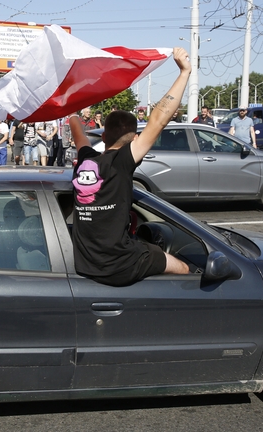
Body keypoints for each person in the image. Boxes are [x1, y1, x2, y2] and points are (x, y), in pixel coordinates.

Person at [69, 47, 191, 287]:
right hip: (119, 263)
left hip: (86, 263)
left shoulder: (85, 162)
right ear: (135, 139)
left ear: (103, 136)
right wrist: (184, 72)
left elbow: (78, 133)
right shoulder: (122, 162)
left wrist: (70, 106)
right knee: (186, 269)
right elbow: (158, 119)